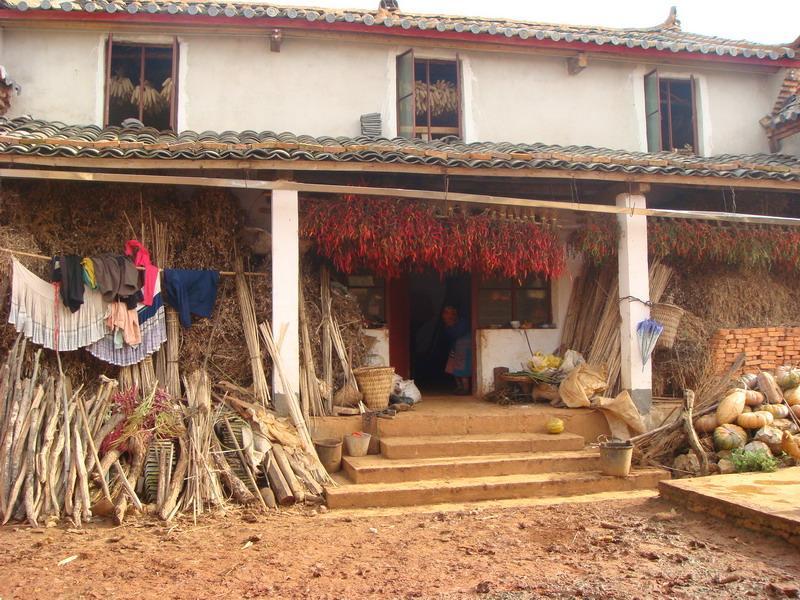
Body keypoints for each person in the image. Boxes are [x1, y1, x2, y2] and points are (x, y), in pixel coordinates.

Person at [442, 305, 472, 395]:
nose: (446, 315)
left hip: (464, 348)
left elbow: (457, 334)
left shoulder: (462, 322)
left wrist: (450, 325)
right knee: (453, 367)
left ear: (454, 313)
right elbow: (448, 335)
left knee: (462, 369)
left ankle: (465, 389)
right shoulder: (448, 324)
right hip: (455, 347)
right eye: (445, 313)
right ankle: (459, 387)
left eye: (448, 312)